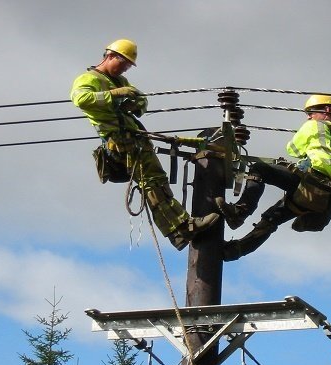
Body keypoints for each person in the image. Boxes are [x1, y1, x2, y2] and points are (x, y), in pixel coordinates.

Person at [70, 39, 219, 250]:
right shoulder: (89, 78)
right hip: (119, 142)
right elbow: (81, 100)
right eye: (124, 63)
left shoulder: (121, 81)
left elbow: (142, 99)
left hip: (135, 139)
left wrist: (136, 103)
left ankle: (179, 230)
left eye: (129, 65)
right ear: (111, 56)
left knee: (156, 181)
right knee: (152, 182)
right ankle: (181, 226)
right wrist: (114, 95)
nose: (125, 68)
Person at [215, 94, 331, 261]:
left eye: (311, 112)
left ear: (326, 109)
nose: (309, 116)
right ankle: (234, 251)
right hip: (321, 196)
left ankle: (240, 212)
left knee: (259, 169)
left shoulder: (313, 126)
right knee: (270, 219)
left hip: (308, 180)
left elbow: (293, 149)